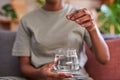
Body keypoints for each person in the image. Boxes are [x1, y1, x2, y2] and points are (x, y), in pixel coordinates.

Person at [12, 0, 110, 80]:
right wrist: (40, 74)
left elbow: (104, 59)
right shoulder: (27, 20)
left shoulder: (82, 16)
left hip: (75, 77)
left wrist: (93, 29)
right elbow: (24, 66)